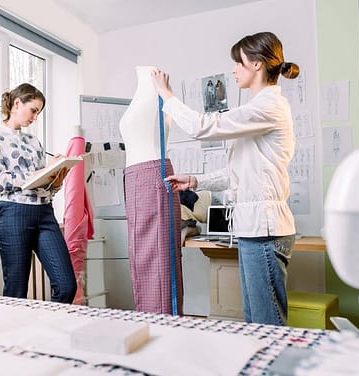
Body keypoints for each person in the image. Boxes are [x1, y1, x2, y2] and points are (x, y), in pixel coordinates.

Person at [151, 32, 299, 325]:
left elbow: (202, 127)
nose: (234, 69)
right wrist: (194, 181)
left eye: (238, 62)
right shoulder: (257, 110)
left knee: (266, 322)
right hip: (253, 228)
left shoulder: (268, 107)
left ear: (256, 64)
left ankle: (275, 370)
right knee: (255, 318)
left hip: (265, 230)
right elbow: (235, 174)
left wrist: (166, 95)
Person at [0, 83, 76, 302]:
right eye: (33, 110)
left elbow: (43, 184)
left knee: (67, 285)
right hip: (14, 214)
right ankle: (16, 337)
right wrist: (37, 173)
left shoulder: (33, 141)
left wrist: (56, 177)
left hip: (45, 214)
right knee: (16, 293)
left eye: (39, 113)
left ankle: (53, 333)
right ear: (16, 103)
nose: (35, 117)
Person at [119, 65, 183, 315]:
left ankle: (163, 328)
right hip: (137, 179)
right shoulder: (144, 89)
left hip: (150, 177)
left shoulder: (156, 88)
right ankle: (149, 324)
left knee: (158, 263)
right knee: (142, 262)